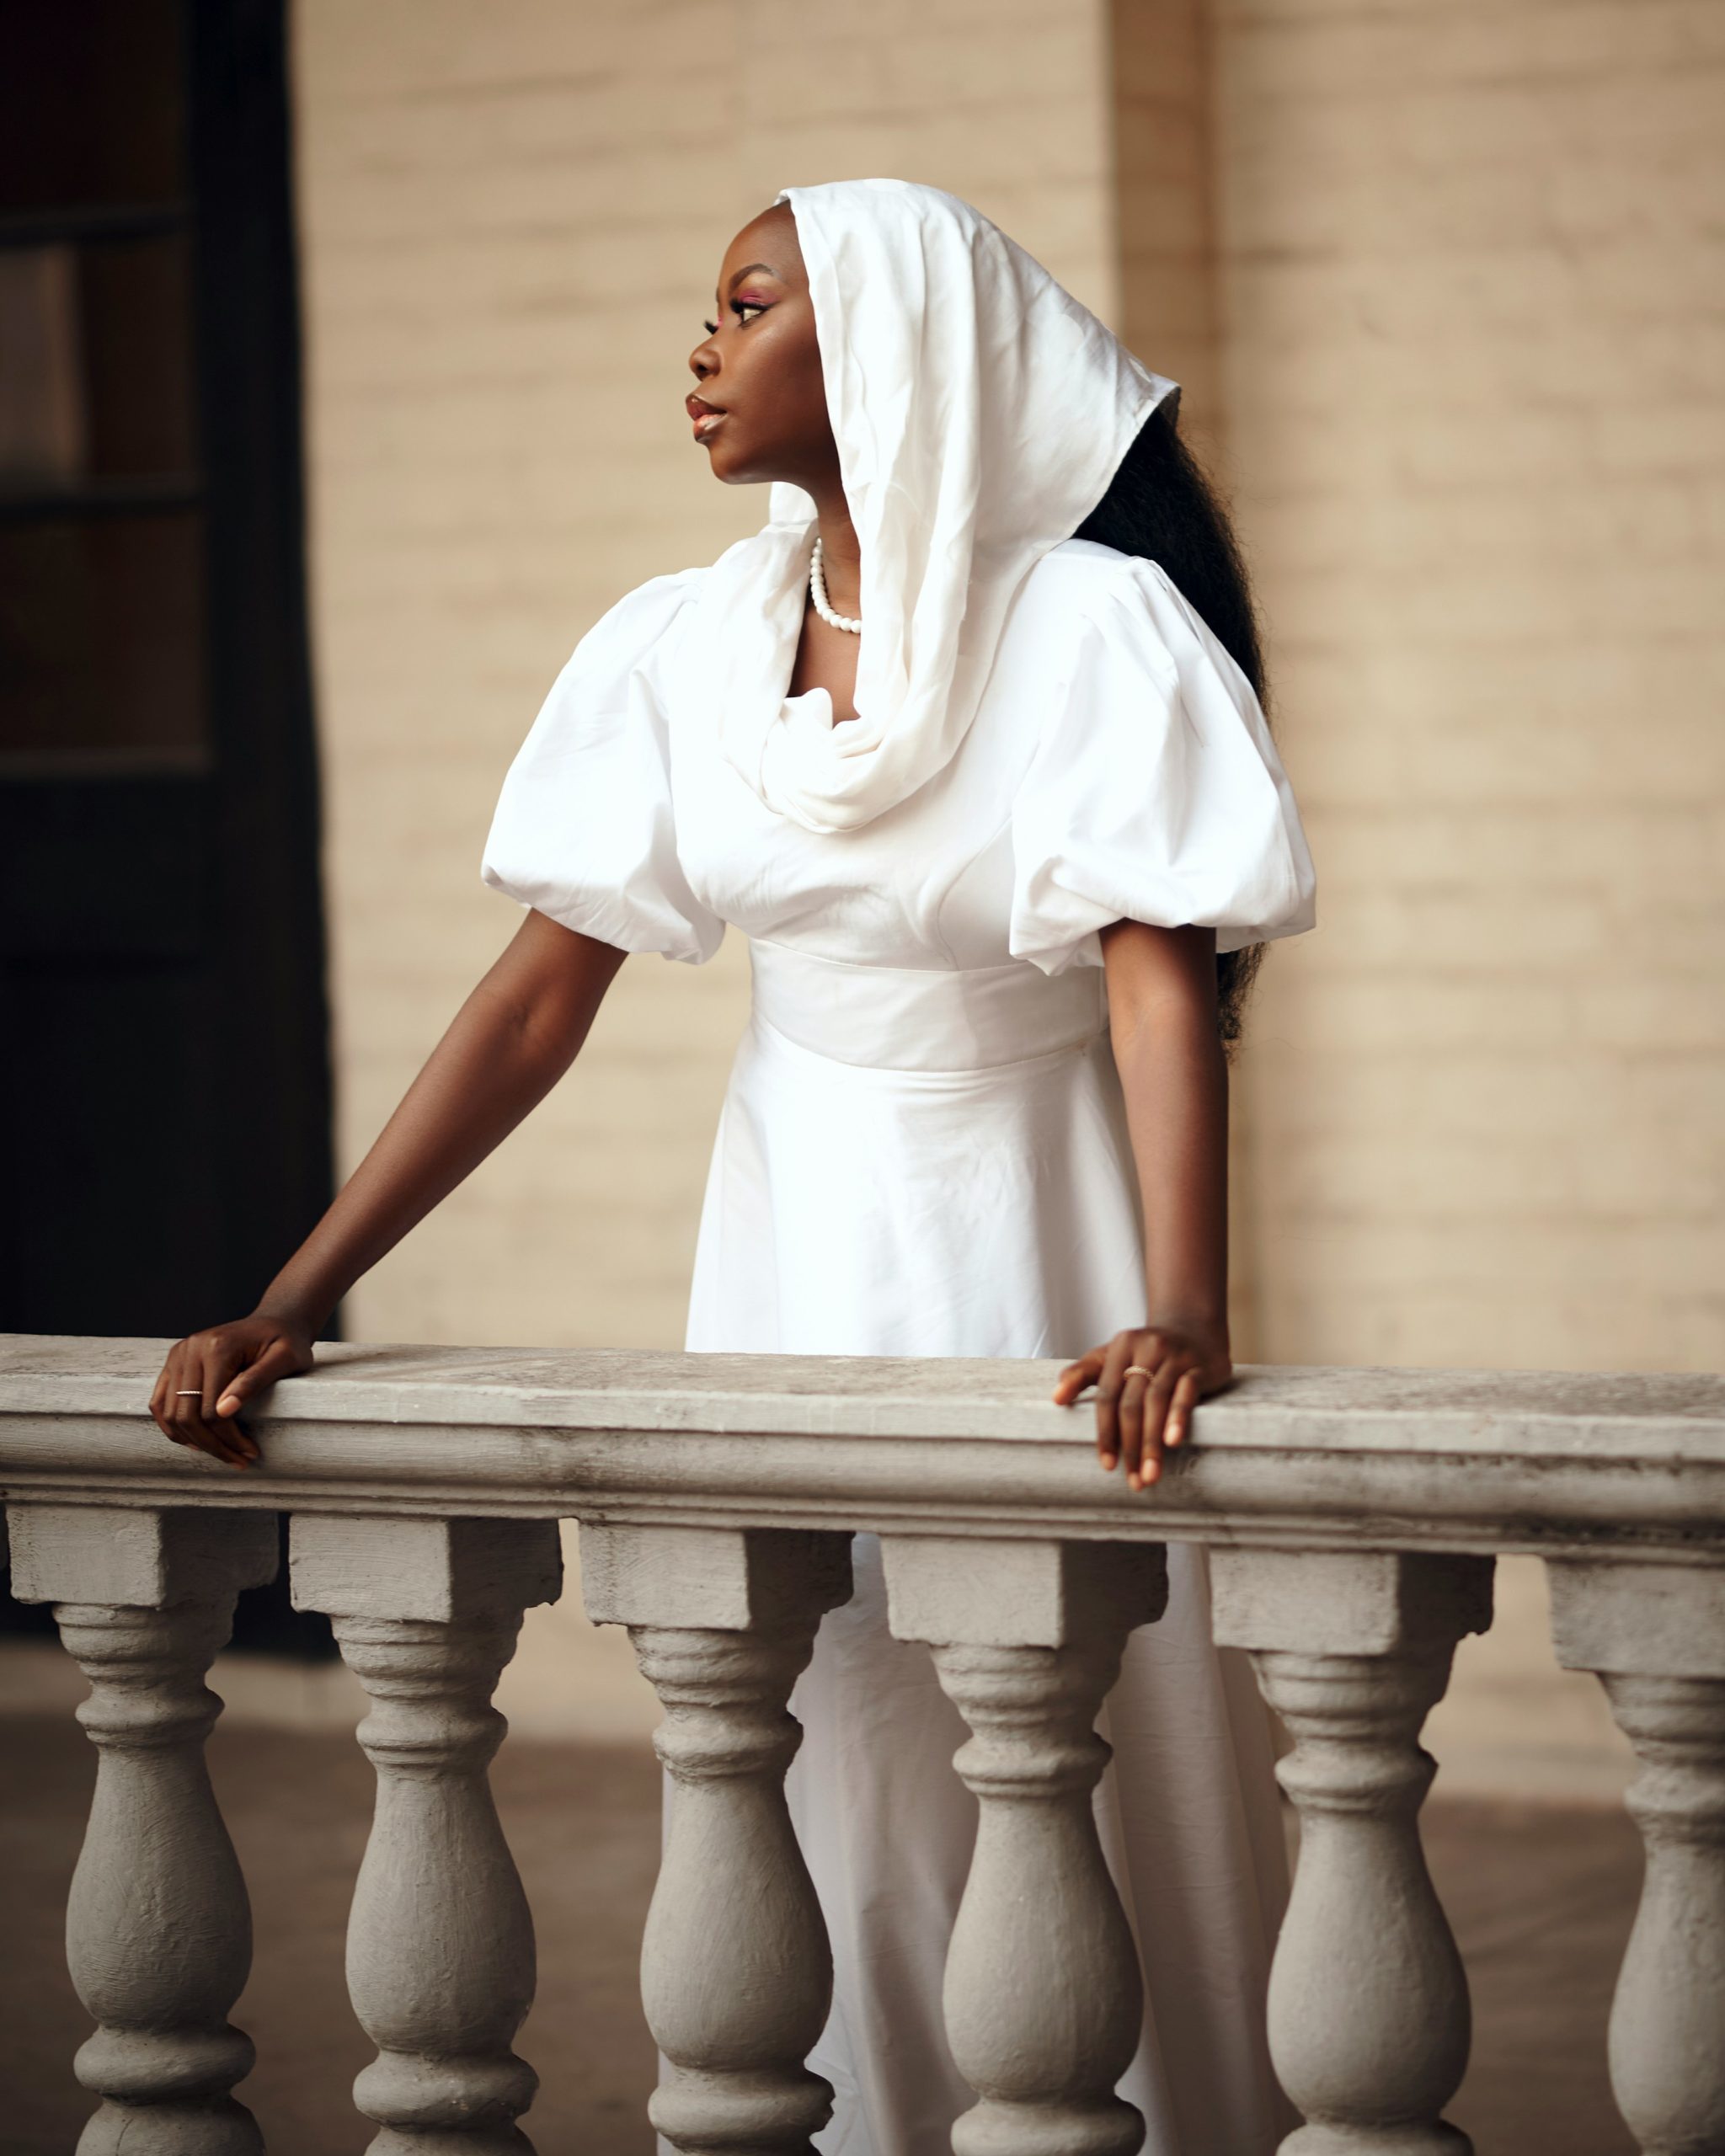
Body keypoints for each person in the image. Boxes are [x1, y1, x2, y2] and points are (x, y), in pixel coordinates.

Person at [150, 178, 1316, 2153]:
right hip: (798, 1240)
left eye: (750, 304)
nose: (701, 344)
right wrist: (298, 1284)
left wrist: (1179, 1305)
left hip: (1041, 1242)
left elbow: (1151, 988)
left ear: (885, 352)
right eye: (714, 307)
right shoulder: (688, 645)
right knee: (837, 1755)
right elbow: (536, 1001)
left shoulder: (1090, 628)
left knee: (1075, 1763)